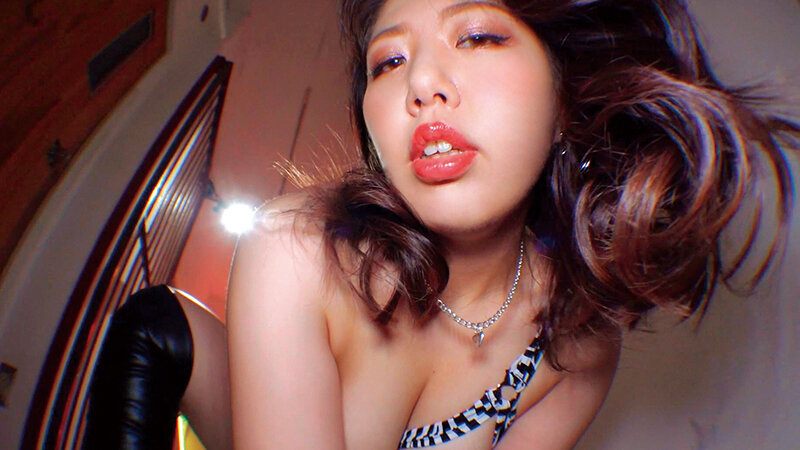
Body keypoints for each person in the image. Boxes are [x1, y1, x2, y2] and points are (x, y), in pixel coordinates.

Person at [227, 0, 797, 448]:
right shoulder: (294, 254)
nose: (420, 82)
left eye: (477, 37)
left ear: (564, 101)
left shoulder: (577, 346)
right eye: (389, 62)